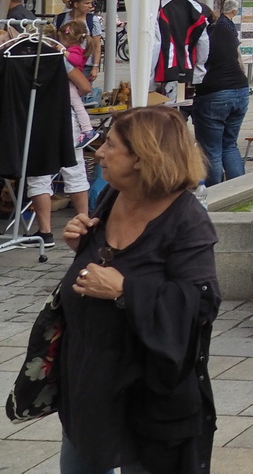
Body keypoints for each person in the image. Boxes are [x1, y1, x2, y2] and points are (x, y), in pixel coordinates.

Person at [57, 107, 220, 474]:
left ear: (142, 159)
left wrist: (126, 290)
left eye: (111, 145)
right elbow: (102, 265)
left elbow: (202, 304)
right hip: (90, 384)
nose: (99, 152)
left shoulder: (186, 219)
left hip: (150, 396)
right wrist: (82, 245)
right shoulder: (114, 196)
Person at [25, 25, 94, 248]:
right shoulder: (59, 60)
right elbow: (84, 86)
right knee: (74, 169)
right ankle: (84, 223)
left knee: (39, 174)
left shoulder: (15, 60)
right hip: (64, 119)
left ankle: (45, 232)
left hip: (33, 121)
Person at [191, 0, 251, 187]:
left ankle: (214, 192)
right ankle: (237, 189)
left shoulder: (200, 34)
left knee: (211, 149)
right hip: (240, 89)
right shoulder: (225, 30)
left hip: (214, 91)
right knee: (230, 144)